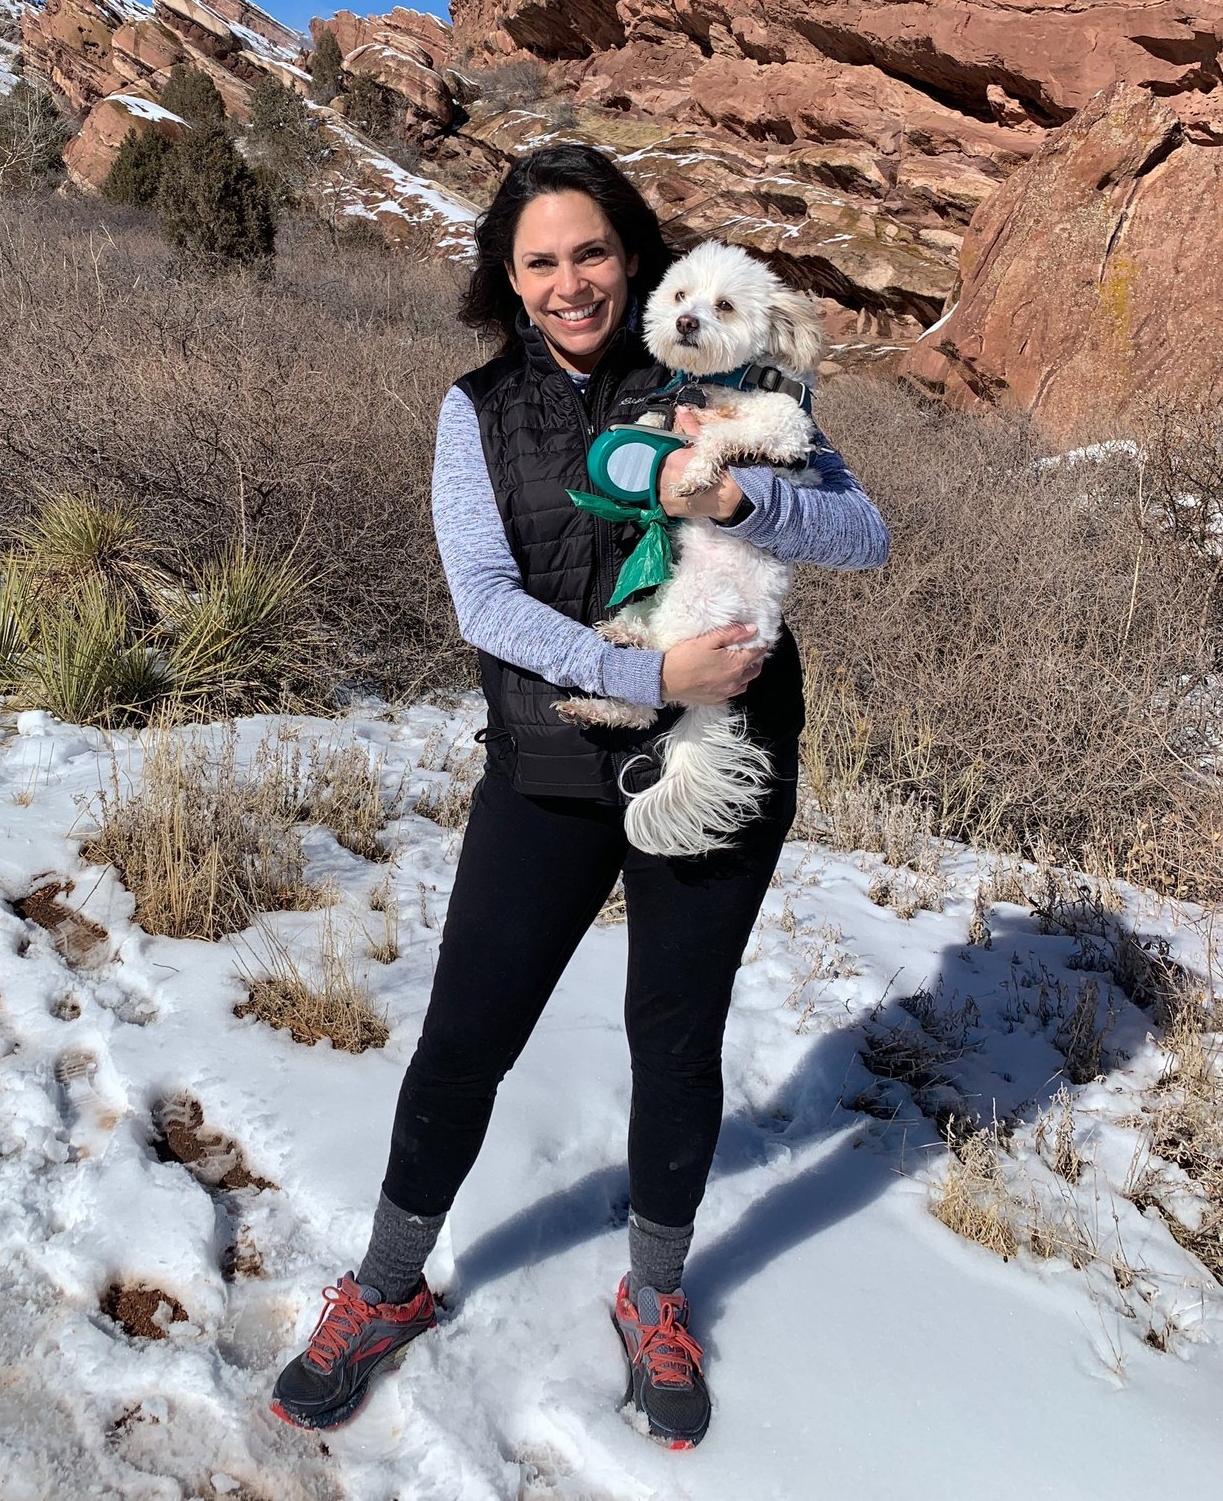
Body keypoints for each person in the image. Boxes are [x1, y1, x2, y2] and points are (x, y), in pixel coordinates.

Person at [270, 144, 889, 1449]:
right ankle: (385, 1284)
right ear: (507, 271)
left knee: (676, 1037)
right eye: (541, 259)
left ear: (633, 252)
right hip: (549, 763)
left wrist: (735, 492)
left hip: (724, 755)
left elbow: (862, 531)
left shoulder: (718, 366)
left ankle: (654, 1295)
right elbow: (483, 601)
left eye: (592, 252)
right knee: (464, 1035)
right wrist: (637, 666)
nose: (571, 282)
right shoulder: (475, 410)